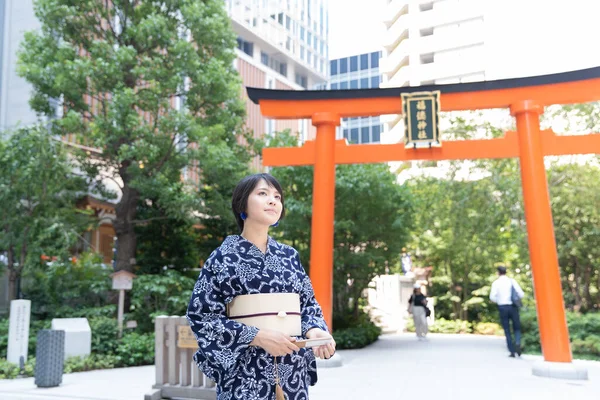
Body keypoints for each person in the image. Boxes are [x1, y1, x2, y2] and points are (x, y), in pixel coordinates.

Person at [186, 173, 336, 400]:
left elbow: (307, 306)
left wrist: (314, 331)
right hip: (245, 373)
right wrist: (257, 336)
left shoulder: (289, 256)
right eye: (263, 193)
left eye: (277, 196)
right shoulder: (223, 258)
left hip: (291, 369)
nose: (273, 200)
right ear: (242, 203)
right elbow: (202, 316)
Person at [489, 265, 525, 357]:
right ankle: (517, 342)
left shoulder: (496, 283)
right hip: (513, 307)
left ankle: (512, 350)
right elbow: (521, 294)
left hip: (502, 307)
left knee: (507, 329)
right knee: (516, 327)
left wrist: (499, 301)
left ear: (498, 272)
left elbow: (492, 297)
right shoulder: (512, 281)